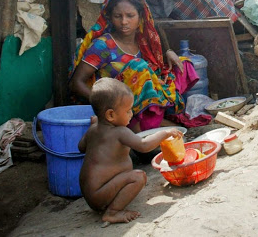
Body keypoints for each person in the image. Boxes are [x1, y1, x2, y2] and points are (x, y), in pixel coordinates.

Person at [70, 0, 211, 132]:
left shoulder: (143, 41)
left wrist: (168, 53)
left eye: (130, 16)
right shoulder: (102, 45)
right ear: (110, 18)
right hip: (116, 103)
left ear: (140, 17)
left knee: (183, 65)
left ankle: (155, 118)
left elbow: (155, 67)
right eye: (118, 16)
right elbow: (76, 83)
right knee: (139, 67)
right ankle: (143, 127)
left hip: (138, 101)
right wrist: (106, 105)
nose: (124, 22)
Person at [78, 78, 183, 225]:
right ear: (110, 115)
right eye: (127, 111)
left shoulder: (93, 129)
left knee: (130, 176)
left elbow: (81, 147)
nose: (131, 114)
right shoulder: (120, 132)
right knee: (138, 177)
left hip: (92, 194)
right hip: (101, 193)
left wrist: (94, 126)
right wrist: (164, 133)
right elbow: (144, 145)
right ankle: (112, 213)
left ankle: (110, 206)